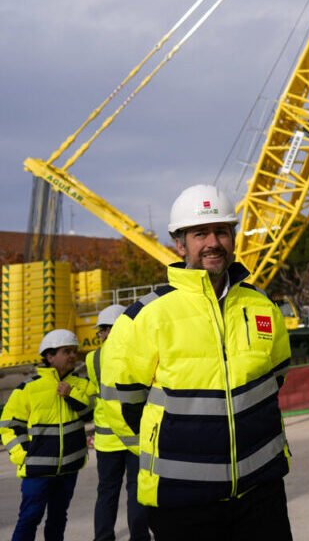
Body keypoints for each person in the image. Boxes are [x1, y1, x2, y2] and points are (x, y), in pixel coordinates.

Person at [100, 184, 293, 540]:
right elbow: (121, 402)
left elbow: (276, 376)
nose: (212, 242)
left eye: (222, 231)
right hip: (181, 501)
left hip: (262, 492)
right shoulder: (144, 316)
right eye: (200, 233)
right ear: (180, 244)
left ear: (233, 238)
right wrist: (166, 451)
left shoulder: (262, 306)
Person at [1, 329, 93, 541]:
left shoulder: (81, 384)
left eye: (74, 351)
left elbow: (89, 414)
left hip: (69, 468)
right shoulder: (28, 388)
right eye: (66, 351)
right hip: (37, 470)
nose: (72, 356)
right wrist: (23, 455)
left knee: (58, 518)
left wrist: (71, 395)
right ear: (49, 356)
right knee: (29, 519)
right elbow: (9, 424)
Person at [86, 303, 150, 541]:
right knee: (136, 490)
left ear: (105, 331)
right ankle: (140, 537)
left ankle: (103, 537)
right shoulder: (138, 353)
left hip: (107, 441)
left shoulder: (93, 359)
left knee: (107, 493)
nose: (102, 334)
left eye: (102, 330)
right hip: (134, 436)